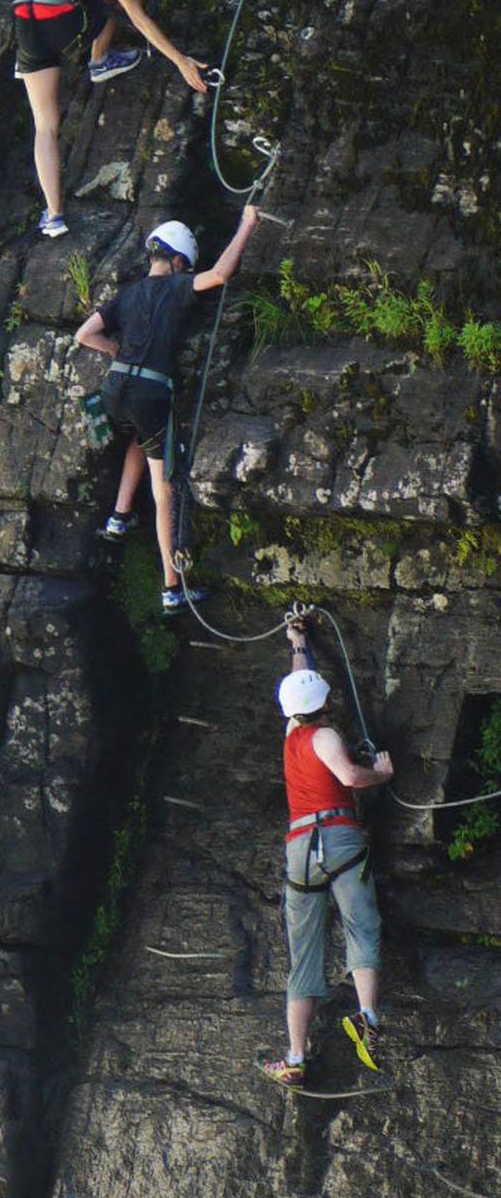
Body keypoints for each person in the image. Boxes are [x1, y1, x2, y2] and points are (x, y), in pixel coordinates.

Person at [74, 204, 257, 612]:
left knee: (137, 435)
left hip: (111, 392)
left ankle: (119, 515)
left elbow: (85, 334)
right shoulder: (178, 287)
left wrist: (115, 348)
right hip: (151, 395)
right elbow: (221, 275)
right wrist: (245, 224)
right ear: (177, 262)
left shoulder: (128, 293)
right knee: (165, 492)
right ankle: (172, 587)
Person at [12, 0, 207, 235]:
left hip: (27, 20)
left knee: (46, 126)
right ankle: (99, 61)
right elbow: (142, 19)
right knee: (109, 5)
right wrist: (181, 61)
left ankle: (53, 216)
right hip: (62, 22)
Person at [261, 625, 394, 1087]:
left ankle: (295, 1055)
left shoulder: (291, 734)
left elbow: (299, 684)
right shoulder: (325, 736)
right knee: (362, 924)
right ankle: (368, 1018)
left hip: (299, 850)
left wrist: (299, 645)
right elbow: (351, 778)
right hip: (338, 838)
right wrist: (379, 773)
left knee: (304, 955)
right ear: (322, 703)